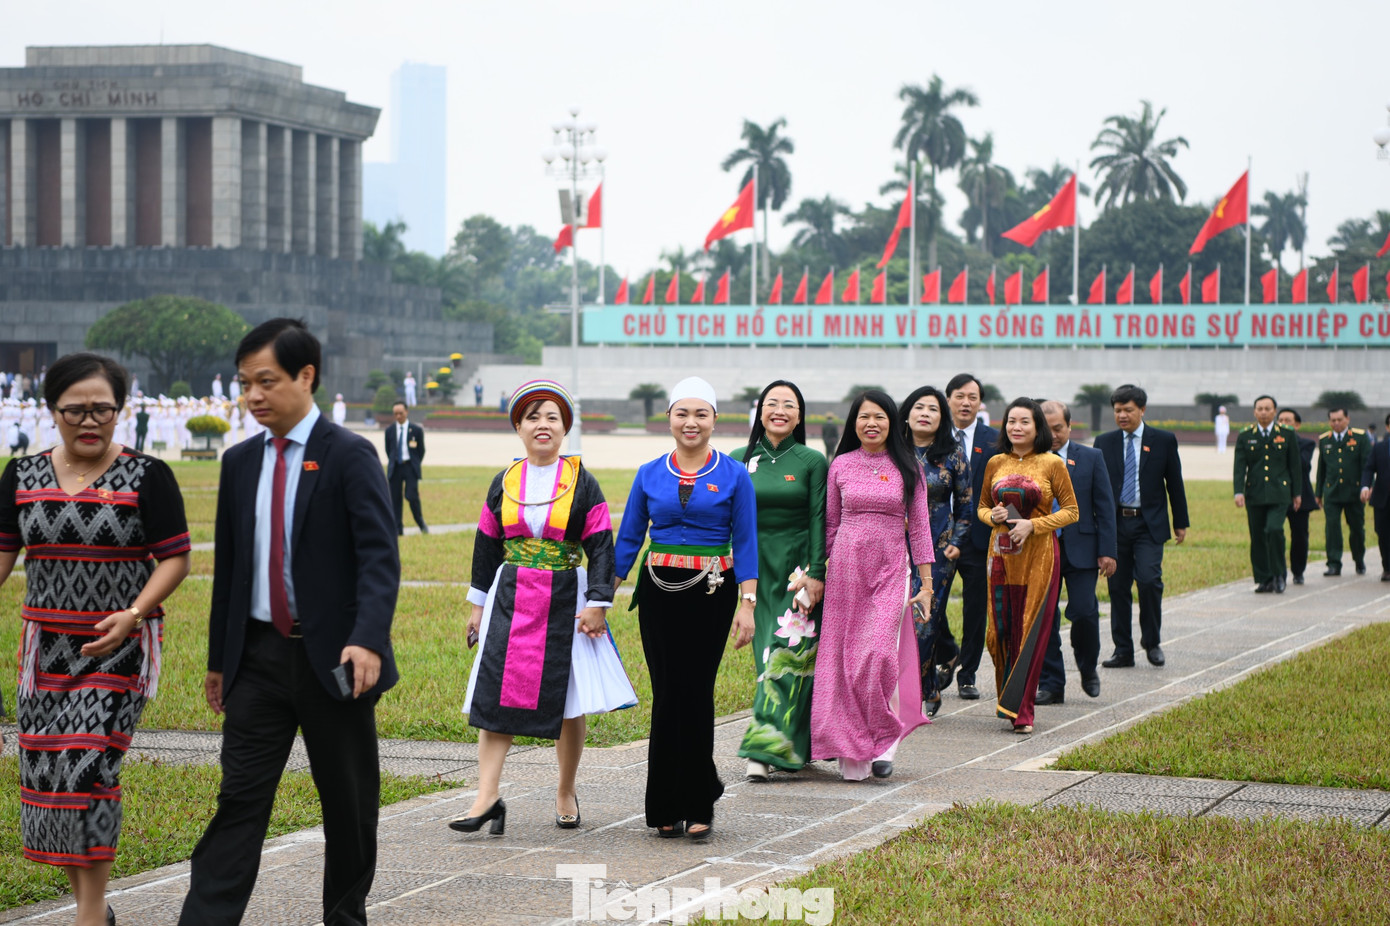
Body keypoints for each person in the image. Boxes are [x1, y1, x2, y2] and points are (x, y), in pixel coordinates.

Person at [179, 319, 400, 926]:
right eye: (245, 382)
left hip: (334, 661)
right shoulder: (239, 461)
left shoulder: (349, 454)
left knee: (348, 806)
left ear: (306, 377)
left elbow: (380, 560)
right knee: (239, 802)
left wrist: (367, 639)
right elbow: (232, 570)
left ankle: (345, 916)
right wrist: (220, 661)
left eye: (266, 381)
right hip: (257, 660)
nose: (252, 395)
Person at [1, 352, 192, 926]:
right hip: (45, 653)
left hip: (118, 647)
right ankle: (94, 907)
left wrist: (134, 613)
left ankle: (88, 915)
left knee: (89, 770)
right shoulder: (21, 475)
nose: (90, 421)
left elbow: (175, 559)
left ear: (119, 411)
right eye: (76, 410)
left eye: (102, 409)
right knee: (46, 780)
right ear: (52, 411)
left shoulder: (147, 474)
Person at [454, 380, 636, 835]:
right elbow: (485, 545)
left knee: (567, 699)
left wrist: (598, 602)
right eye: (532, 416)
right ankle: (487, 796)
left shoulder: (582, 482)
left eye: (552, 417)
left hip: (565, 600)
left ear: (564, 429)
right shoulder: (504, 481)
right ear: (518, 427)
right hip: (511, 595)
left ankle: (565, 789)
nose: (542, 424)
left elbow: (600, 545)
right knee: (496, 692)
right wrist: (477, 605)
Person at [613, 377, 757, 839]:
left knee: (696, 691)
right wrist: (599, 596)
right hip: (658, 592)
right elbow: (629, 539)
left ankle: (698, 804)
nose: (691, 422)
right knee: (667, 694)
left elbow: (747, 541)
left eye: (701, 414)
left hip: (713, 593)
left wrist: (748, 604)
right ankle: (663, 806)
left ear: (715, 420)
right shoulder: (649, 472)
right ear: (670, 418)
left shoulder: (734, 474)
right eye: (682, 413)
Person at [811, 390, 933, 780]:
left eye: (879, 417)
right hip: (846, 572)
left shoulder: (908, 467)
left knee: (877, 657)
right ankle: (855, 750)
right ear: (854, 422)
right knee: (843, 662)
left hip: (890, 571)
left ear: (893, 423)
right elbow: (829, 524)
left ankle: (885, 737)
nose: (871, 424)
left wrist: (926, 585)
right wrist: (813, 575)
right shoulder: (840, 465)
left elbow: (921, 530)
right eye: (864, 417)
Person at [731, 380, 827, 781]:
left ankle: (764, 749)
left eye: (789, 405)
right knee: (763, 659)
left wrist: (817, 574)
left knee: (787, 653)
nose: (780, 411)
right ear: (760, 411)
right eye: (773, 403)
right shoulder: (738, 459)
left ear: (800, 416)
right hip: (753, 569)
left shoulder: (811, 460)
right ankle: (788, 747)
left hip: (795, 571)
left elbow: (819, 519)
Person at [978, 398, 1078, 734]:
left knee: (1029, 631)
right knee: (999, 633)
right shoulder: (995, 462)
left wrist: (1032, 526)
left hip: (1039, 557)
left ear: (1038, 427)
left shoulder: (1052, 464)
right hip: (1001, 556)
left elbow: (1071, 511)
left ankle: (1023, 711)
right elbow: (980, 508)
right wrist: (990, 516)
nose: (1016, 427)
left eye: (1024, 422)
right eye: (1011, 421)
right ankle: (1008, 698)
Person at [1095, 384, 1189, 669]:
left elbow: (1175, 483)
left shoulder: (1162, 440)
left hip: (1148, 524)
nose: (1122, 416)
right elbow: (1097, 487)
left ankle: (1152, 641)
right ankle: (1122, 649)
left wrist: (1180, 522)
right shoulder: (1104, 442)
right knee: (1118, 588)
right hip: (1115, 524)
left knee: (1149, 581)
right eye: (1118, 410)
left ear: (1142, 410)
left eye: (1128, 410)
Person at [1037, 400, 1116, 704]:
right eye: (1047, 429)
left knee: (1084, 611)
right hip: (1042, 548)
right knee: (1045, 618)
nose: (1053, 434)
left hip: (1082, 548)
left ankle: (1087, 666)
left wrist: (1108, 551)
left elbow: (1104, 507)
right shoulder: (1030, 460)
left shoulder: (1091, 457)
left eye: (1058, 428)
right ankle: (1052, 683)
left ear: (1070, 426)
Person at [900, 385, 971, 716]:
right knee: (899, 620)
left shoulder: (953, 454)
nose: (924, 413)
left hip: (938, 552)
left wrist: (956, 543)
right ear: (907, 413)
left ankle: (914, 693)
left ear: (941, 417)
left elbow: (966, 505)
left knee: (923, 622)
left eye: (932, 409)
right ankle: (928, 686)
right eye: (919, 407)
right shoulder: (893, 450)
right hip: (894, 548)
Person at [935, 373, 999, 700]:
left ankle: (968, 673)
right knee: (932, 604)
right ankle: (947, 650)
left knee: (976, 609)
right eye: (960, 396)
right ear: (948, 399)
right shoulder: (932, 436)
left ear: (980, 402)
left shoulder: (994, 439)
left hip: (978, 537)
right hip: (936, 536)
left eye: (972, 397)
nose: (966, 402)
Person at [1234, 396, 1301, 594]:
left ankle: (1279, 574)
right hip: (1254, 493)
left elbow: (1294, 465)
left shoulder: (1287, 434)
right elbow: (1239, 466)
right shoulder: (1246, 435)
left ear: (1274, 412)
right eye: (1260, 409)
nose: (1263, 412)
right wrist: (1238, 491)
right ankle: (1264, 578)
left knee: (1274, 530)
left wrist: (1297, 493)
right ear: (1254, 412)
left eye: (1267, 409)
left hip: (1279, 493)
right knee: (1257, 537)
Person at [1316, 406, 1370, 577]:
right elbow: (1321, 470)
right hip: (1332, 492)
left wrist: (1366, 487)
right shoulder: (1325, 439)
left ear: (1347, 419)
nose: (1336, 423)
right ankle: (1333, 563)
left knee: (1356, 528)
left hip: (1354, 492)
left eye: (1339, 420)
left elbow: (1367, 466)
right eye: (1333, 420)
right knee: (1332, 528)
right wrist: (1318, 493)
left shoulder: (1360, 438)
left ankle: (1359, 558)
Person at [1279, 408, 1317, 585]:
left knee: (1300, 536)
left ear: (1297, 424)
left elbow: (1301, 464)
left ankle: (1298, 571)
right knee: (1274, 534)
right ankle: (1278, 571)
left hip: (1300, 496)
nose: (1284, 424)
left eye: (1288, 421)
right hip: (1278, 496)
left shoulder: (1306, 444)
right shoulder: (1271, 443)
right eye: (1281, 420)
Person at [384, 400, 428, 535]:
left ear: (406, 412)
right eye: (395, 414)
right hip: (395, 468)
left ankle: (420, 523)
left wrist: (414, 463)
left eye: (401, 413)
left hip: (410, 467)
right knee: (395, 499)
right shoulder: (389, 430)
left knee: (411, 496)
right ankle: (398, 530)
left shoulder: (416, 430)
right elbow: (388, 449)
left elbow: (421, 450)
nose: (398, 416)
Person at [1359, 411, 1390, 581]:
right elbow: (1369, 468)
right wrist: (1365, 486)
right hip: (1383, 498)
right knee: (1383, 533)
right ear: (1387, 427)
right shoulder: (1379, 448)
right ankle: (1387, 567)